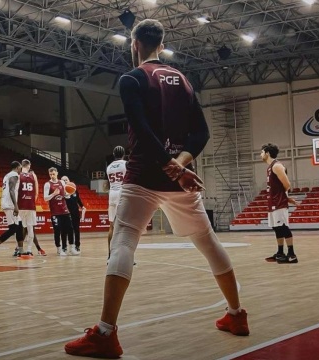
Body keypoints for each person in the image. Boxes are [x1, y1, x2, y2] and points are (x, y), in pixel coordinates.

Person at [65, 19, 248, 358]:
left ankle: (105, 333)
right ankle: (237, 315)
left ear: (134, 44)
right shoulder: (184, 81)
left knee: (123, 240)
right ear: (161, 45)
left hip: (145, 175)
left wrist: (169, 166)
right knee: (209, 244)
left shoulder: (131, 79)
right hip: (181, 175)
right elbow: (201, 134)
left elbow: (141, 129)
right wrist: (180, 164)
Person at [261, 143, 298, 263]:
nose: (260, 154)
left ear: (267, 153)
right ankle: (280, 252)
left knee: (283, 227)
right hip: (273, 202)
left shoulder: (277, 166)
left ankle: (292, 254)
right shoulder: (270, 167)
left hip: (278, 203)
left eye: (262, 152)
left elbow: (287, 185)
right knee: (277, 228)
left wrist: (285, 198)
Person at [0, 161, 27, 261]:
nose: (21, 169)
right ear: (18, 167)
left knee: (20, 225)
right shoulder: (14, 175)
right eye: (20, 167)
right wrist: (16, 206)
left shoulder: (7, 175)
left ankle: (21, 251)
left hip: (8, 203)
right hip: (10, 205)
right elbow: (11, 190)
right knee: (13, 229)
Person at [44, 168, 78, 256]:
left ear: (57, 173)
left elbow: (66, 196)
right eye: (50, 174)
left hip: (64, 210)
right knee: (57, 230)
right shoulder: (47, 184)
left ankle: (72, 248)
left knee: (70, 229)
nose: (52, 176)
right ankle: (59, 249)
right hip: (55, 212)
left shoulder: (62, 183)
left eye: (53, 174)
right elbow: (45, 198)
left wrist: (69, 194)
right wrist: (53, 194)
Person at [106, 146, 127, 257]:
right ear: (124, 154)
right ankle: (124, 255)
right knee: (124, 226)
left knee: (111, 226)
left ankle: (110, 255)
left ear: (114, 154)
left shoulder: (109, 167)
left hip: (112, 194)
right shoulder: (126, 164)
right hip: (121, 193)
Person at [17, 160, 40, 255]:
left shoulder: (18, 175)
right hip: (30, 205)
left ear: (21, 166)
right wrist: (31, 201)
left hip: (21, 205)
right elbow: (37, 193)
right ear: (29, 166)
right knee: (30, 228)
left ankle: (19, 249)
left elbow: (15, 190)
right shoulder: (33, 176)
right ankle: (29, 250)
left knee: (19, 229)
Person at [62, 176, 85, 252]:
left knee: (76, 230)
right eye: (63, 180)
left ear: (69, 180)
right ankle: (65, 246)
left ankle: (77, 246)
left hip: (75, 213)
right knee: (66, 230)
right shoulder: (62, 191)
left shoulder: (74, 189)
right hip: (66, 213)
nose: (65, 181)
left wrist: (82, 206)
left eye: (66, 180)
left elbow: (78, 200)